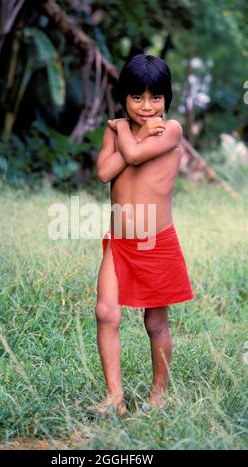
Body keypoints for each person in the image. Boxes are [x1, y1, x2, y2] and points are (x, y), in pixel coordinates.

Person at [89, 54, 194, 417]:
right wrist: (119, 130)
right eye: (137, 98)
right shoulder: (115, 130)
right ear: (124, 97)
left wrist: (124, 132)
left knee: (155, 322)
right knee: (105, 313)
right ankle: (114, 396)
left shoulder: (171, 129)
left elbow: (133, 155)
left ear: (166, 99)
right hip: (119, 243)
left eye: (155, 98)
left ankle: (159, 393)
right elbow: (105, 172)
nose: (147, 107)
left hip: (156, 241)